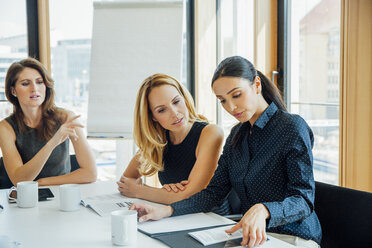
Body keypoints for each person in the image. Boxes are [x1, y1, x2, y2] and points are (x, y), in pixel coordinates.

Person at [129, 56, 322, 248]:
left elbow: (303, 200)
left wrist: (264, 210)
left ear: (256, 84)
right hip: (249, 237)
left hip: (294, 238)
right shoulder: (237, 135)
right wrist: (166, 210)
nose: (231, 107)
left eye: (236, 95)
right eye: (222, 101)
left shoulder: (292, 127)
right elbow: (213, 193)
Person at [117, 73, 226, 210]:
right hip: (173, 216)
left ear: (185, 99)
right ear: (153, 117)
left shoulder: (211, 133)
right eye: (162, 110)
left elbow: (190, 196)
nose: (174, 113)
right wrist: (163, 194)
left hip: (211, 218)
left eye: (176, 102)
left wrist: (140, 190)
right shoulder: (158, 141)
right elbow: (125, 182)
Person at [0, 58, 96, 186]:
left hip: (62, 195)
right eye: (25, 84)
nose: (34, 89)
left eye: (39, 82)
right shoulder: (6, 128)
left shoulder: (66, 118)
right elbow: (18, 180)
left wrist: (42, 182)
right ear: (13, 91)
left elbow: (91, 174)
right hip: (27, 199)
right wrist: (52, 143)